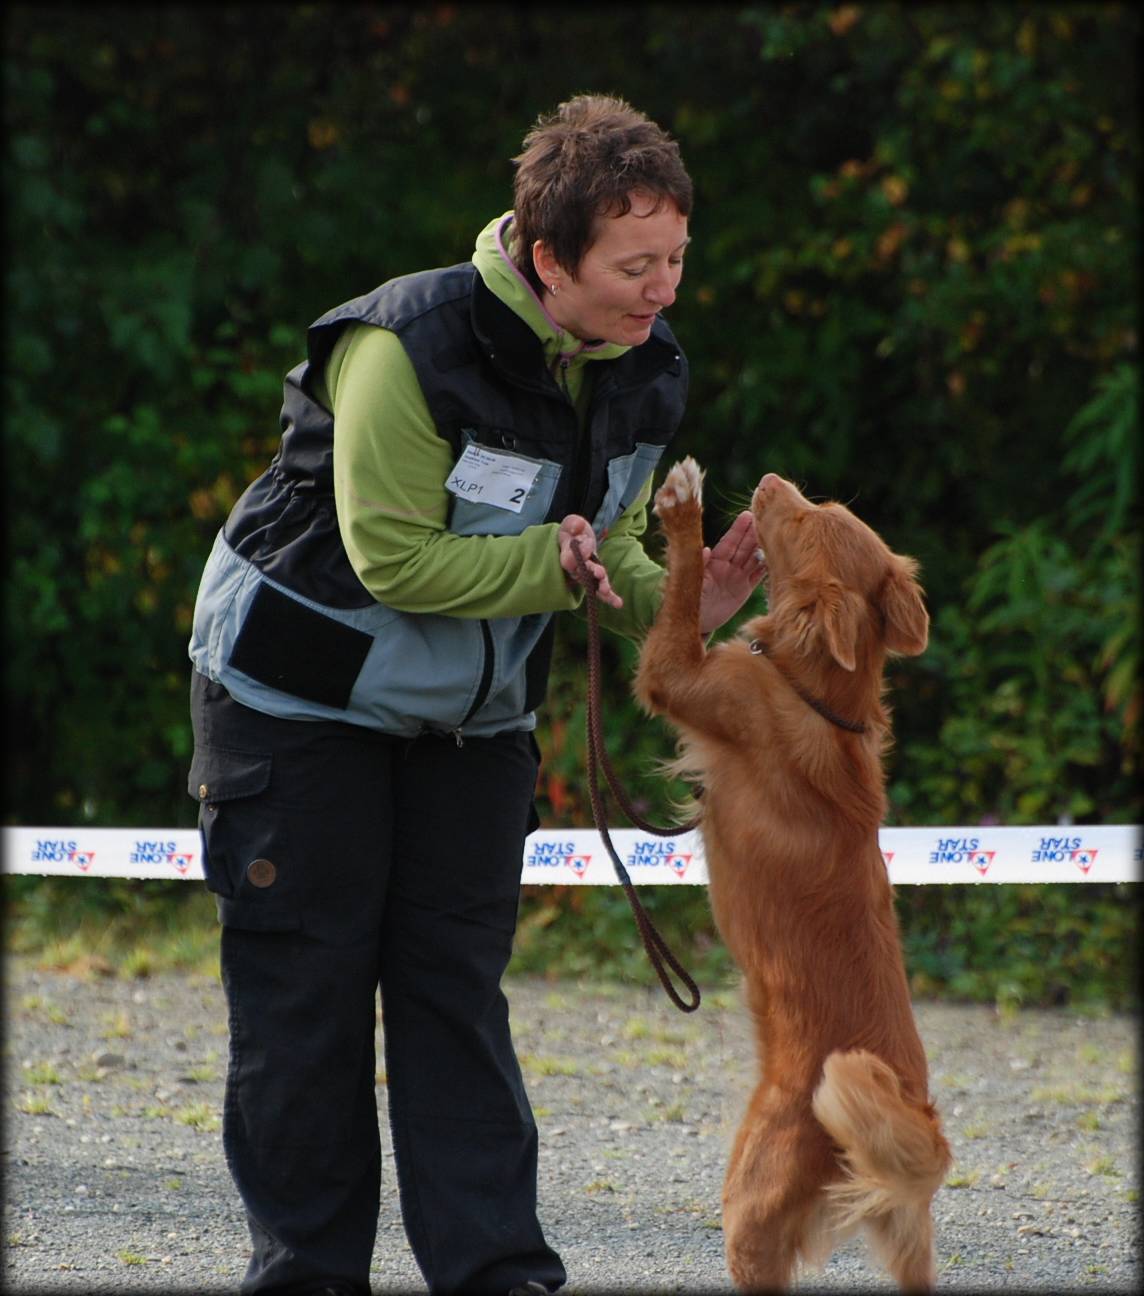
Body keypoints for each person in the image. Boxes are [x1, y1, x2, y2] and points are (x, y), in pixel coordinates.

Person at [186, 94, 764, 1296]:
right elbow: (392, 556)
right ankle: (305, 1278)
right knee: (310, 1008)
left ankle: (501, 1276)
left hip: (471, 727)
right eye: (634, 266)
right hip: (298, 706)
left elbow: (611, 552)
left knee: (456, 1001)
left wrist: (684, 608)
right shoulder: (405, 343)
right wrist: (555, 571)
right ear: (549, 257)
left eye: (675, 261)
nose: (662, 290)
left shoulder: (647, 370)